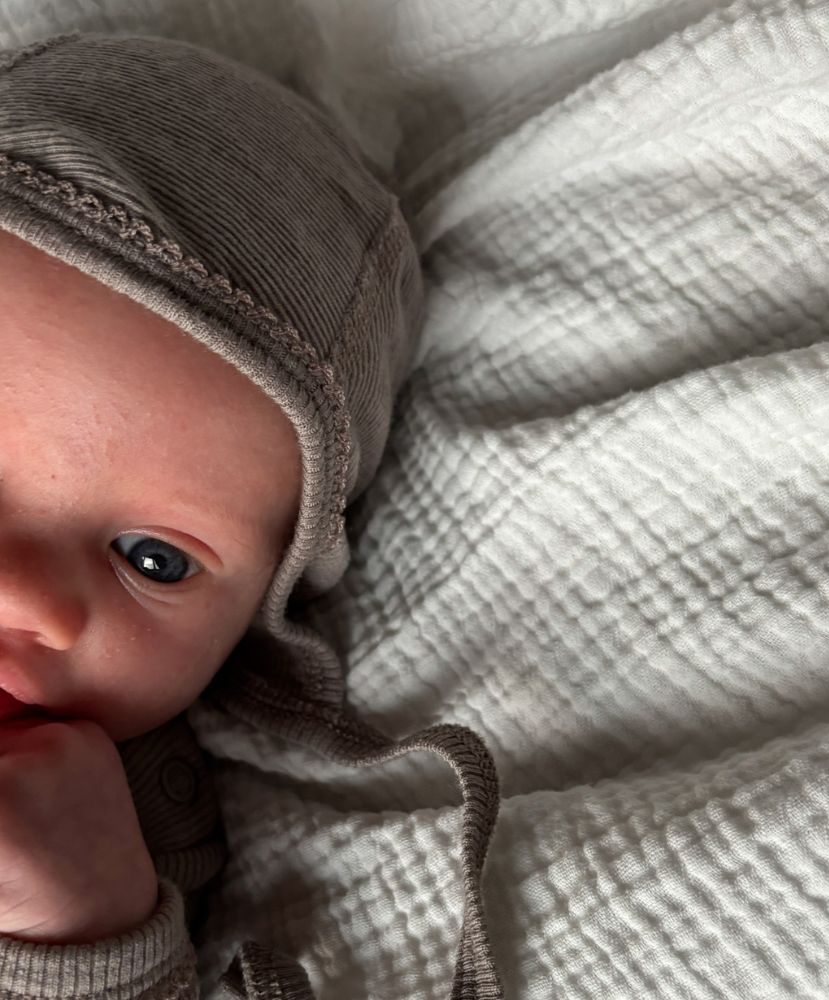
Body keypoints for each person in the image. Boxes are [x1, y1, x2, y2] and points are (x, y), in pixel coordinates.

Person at [0, 30, 504, 999]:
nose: (19, 591)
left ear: (257, 633)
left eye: (153, 560)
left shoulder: (123, 847)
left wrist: (86, 940)